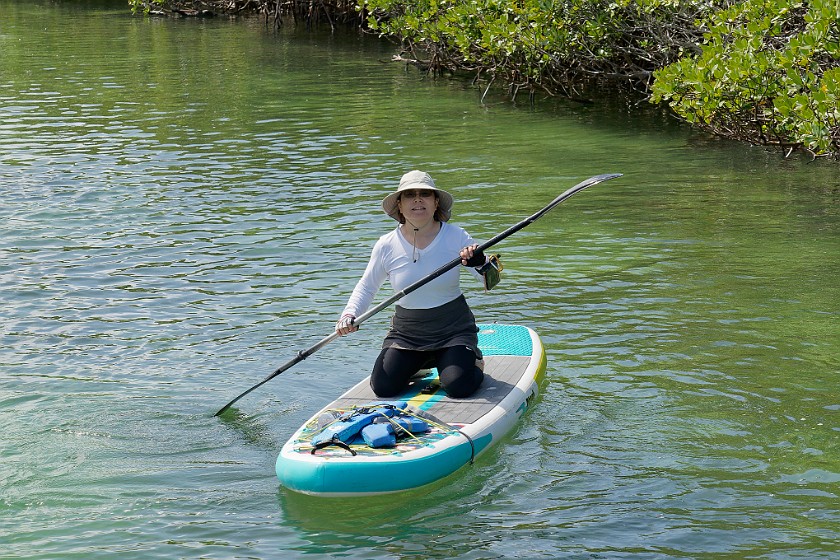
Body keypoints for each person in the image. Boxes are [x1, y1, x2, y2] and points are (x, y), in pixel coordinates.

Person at [335, 170, 493, 399]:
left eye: (425, 194)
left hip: (453, 331)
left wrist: (481, 263)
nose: (418, 200)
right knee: (383, 387)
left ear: (435, 201)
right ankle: (420, 363)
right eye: (410, 195)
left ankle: (472, 361)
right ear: (399, 205)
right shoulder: (386, 245)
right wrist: (349, 314)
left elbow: (490, 280)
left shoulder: (457, 236)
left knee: (459, 387)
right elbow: (367, 286)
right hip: (406, 334)